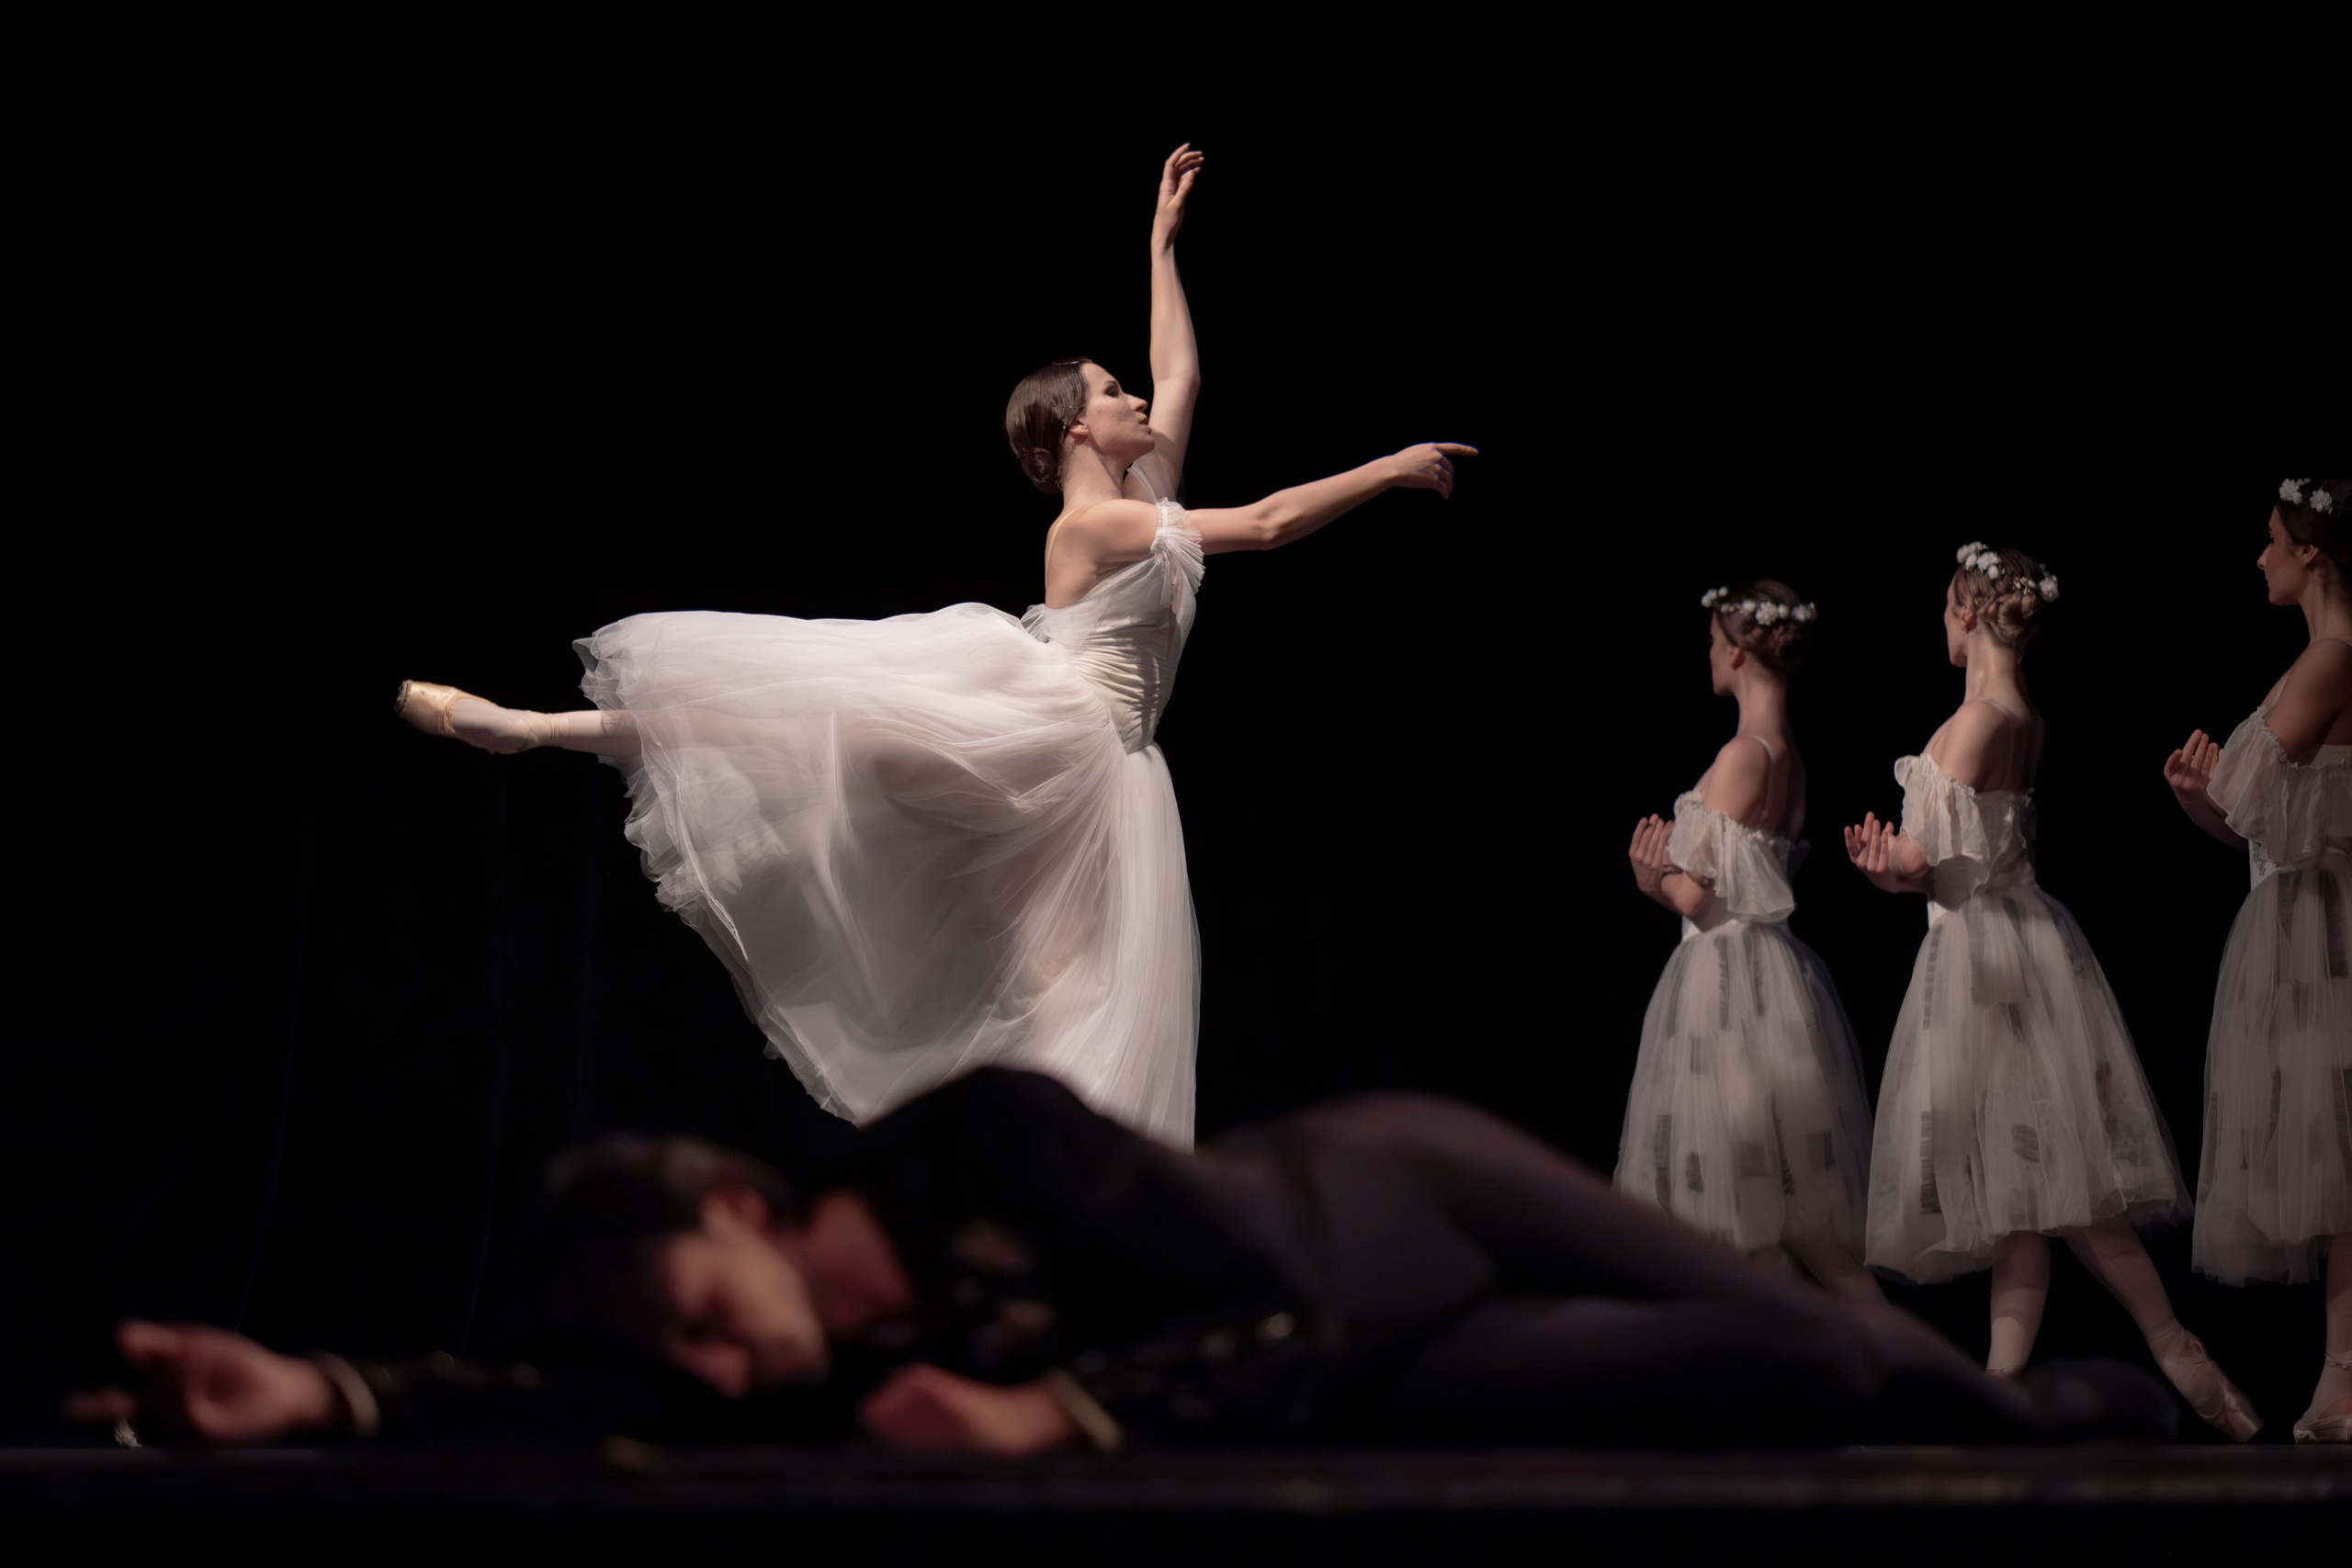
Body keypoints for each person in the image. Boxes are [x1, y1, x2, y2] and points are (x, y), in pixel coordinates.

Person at [388, 145, 1475, 1145]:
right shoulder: (1097, 522)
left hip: (1109, 768)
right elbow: (1274, 523)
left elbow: (1181, 372)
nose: (1135, 395)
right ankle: (533, 727)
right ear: (1074, 431)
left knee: (1074, 993)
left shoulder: (1143, 489)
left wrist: (1160, 246)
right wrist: (1387, 469)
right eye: (1110, 391)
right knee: (789, 731)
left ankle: (1063, 1182)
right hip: (1043, 726)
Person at [71, 1069, 2173, 1453]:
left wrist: (1056, 1405)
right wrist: (316, 1388)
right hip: (1377, 1383)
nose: (723, 1374)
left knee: (1893, 1372)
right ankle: (1952, 1394)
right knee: (1808, 1390)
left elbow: (1261, 1301)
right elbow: (567, 1405)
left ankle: (2056, 1400)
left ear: (732, 1211)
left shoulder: (974, 1137)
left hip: (1398, 1208)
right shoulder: (787, 1363)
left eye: (710, 1317)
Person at [1845, 543, 2259, 1439]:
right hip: (2011, 946)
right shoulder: (2017, 712)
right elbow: (1943, 860)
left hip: (1987, 965)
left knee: (2063, 1191)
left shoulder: (1980, 720)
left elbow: (1925, 859)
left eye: (1943, 606)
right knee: (2026, 1198)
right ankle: (2002, 1385)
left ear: (1965, 610)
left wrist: (1890, 863)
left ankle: (2172, 1344)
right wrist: (1897, 870)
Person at [1619, 582, 1880, 1302]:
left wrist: (1652, 880)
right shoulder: (1785, 754)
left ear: (1736, 650)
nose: (1709, 653)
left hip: (1726, 984)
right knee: (1794, 1220)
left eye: (1712, 641)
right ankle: (1883, 1371)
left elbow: (1698, 896)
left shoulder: (1743, 754)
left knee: (1748, 1213)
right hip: (1769, 979)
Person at [2163, 477, 2352, 1445]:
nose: (2260, 556)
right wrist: (2202, 799)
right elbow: (2255, 822)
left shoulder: (2332, 658)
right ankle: (2338, 1373)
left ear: (2311, 550)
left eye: (2271, 540)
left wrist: (2214, 788)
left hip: (2326, 932)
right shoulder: (2308, 661)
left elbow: (2253, 792)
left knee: (2340, 1161)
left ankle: (2344, 1376)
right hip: (2294, 922)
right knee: (2327, 1167)